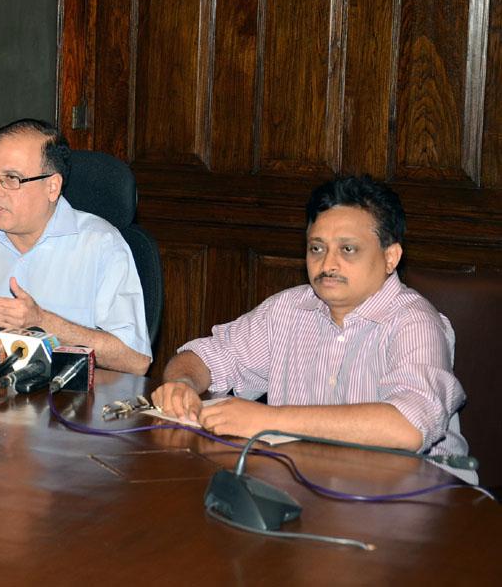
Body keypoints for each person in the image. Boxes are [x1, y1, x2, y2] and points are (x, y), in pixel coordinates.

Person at [151, 176, 471, 477]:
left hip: (416, 501)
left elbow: (406, 428)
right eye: (317, 248)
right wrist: (183, 383)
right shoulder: (288, 309)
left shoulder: (415, 321)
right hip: (308, 485)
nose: (327, 264)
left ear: (391, 257)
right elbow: (205, 356)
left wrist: (270, 420)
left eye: (348, 249)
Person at [0, 119, 151, 375]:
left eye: (11, 178)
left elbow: (135, 360)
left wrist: (42, 321)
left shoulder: (101, 245)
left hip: (68, 406)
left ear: (52, 187)